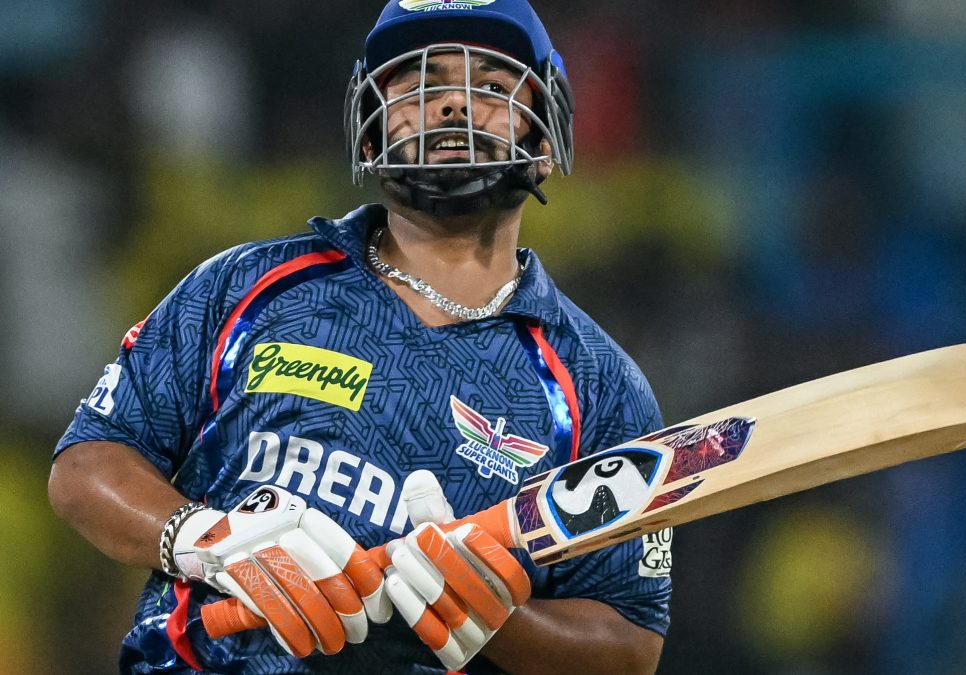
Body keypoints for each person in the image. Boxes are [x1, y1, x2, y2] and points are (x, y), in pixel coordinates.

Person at [47, 1, 671, 673]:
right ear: (371, 136)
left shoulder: (600, 385)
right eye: (417, 85)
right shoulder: (244, 285)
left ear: (544, 143)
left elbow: (631, 644)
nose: (453, 105)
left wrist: (496, 620)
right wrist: (204, 538)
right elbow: (85, 465)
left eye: (492, 85)